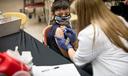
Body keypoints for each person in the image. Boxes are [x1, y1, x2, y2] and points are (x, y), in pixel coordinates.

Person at [57, 0, 128, 76]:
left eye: (77, 14)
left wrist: (68, 47)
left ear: (83, 13)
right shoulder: (119, 19)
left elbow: (78, 61)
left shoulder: (90, 33)